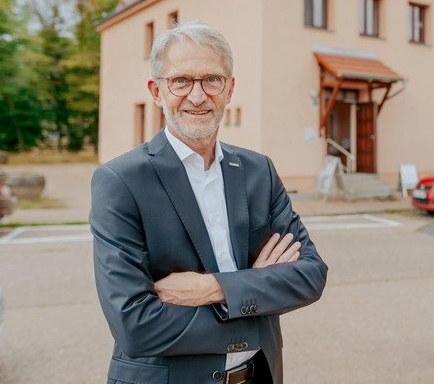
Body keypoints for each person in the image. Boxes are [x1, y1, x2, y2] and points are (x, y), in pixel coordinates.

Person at [90, 21, 328, 384]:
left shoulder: (258, 171)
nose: (198, 96)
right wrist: (257, 295)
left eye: (212, 80)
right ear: (157, 91)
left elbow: (310, 276)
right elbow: (135, 326)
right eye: (181, 81)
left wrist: (214, 287)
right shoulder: (120, 182)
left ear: (229, 89)